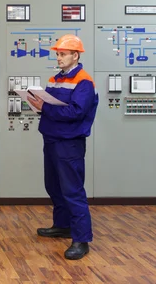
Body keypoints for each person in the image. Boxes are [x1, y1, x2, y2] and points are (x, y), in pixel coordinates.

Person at [26, 34, 99, 260]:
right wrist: (38, 104)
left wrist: (45, 109)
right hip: (51, 138)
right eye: (57, 54)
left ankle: (81, 239)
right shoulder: (54, 79)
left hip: (69, 143)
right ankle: (62, 226)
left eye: (62, 54)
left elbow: (76, 112)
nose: (58, 58)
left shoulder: (84, 82)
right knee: (54, 186)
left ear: (75, 55)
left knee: (72, 191)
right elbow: (51, 107)